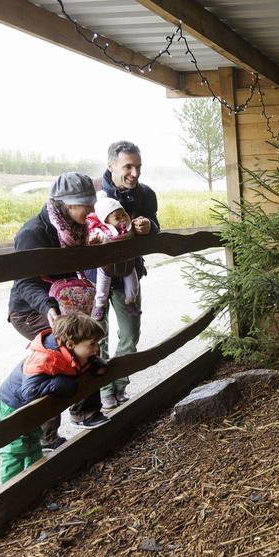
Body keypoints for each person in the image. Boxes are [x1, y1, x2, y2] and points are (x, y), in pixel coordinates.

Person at [7, 172, 108, 443]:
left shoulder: (76, 230)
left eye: (90, 202)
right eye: (84, 204)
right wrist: (49, 310)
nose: (90, 209)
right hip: (32, 308)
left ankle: (85, 411)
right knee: (59, 354)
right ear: (65, 203)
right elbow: (25, 283)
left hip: (63, 305)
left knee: (85, 345)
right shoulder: (33, 234)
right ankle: (47, 435)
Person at [0, 313, 107, 483]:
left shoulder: (75, 351)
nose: (96, 349)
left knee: (33, 445)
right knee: (16, 451)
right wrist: (63, 383)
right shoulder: (47, 358)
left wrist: (95, 363)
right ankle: (6, 495)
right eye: (92, 344)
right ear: (70, 344)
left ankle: (30, 487)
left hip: (31, 409)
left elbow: (81, 363)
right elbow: (29, 391)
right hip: (13, 406)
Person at [92, 141, 159, 411]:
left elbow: (156, 227)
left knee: (131, 333)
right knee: (97, 336)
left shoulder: (146, 195)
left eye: (138, 167)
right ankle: (105, 390)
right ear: (111, 166)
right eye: (128, 166)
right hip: (93, 277)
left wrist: (148, 227)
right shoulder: (93, 193)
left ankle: (120, 383)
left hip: (129, 273)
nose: (135, 173)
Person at [86, 192, 140, 320]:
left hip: (127, 264)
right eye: (117, 217)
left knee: (133, 285)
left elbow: (141, 231)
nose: (122, 218)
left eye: (123, 214)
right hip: (106, 266)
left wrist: (142, 225)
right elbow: (90, 241)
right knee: (102, 286)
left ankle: (130, 301)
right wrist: (92, 241)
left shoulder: (130, 228)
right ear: (105, 220)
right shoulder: (100, 232)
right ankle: (100, 305)